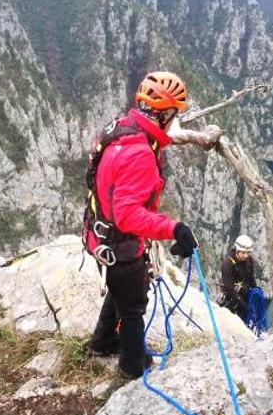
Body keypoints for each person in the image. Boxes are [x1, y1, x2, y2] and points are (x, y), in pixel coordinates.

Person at [84, 71, 199, 379]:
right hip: (120, 243)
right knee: (134, 306)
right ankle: (132, 365)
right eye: (174, 115)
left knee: (119, 289)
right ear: (164, 114)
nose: (176, 122)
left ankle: (102, 342)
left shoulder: (123, 130)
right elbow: (128, 215)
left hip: (101, 236)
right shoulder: (139, 154)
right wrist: (173, 228)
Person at [220, 235, 258, 321]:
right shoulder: (228, 264)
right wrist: (245, 306)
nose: (246, 255)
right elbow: (230, 290)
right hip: (230, 300)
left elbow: (251, 279)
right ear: (237, 250)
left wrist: (256, 291)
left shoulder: (249, 260)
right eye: (243, 252)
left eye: (248, 252)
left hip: (244, 295)